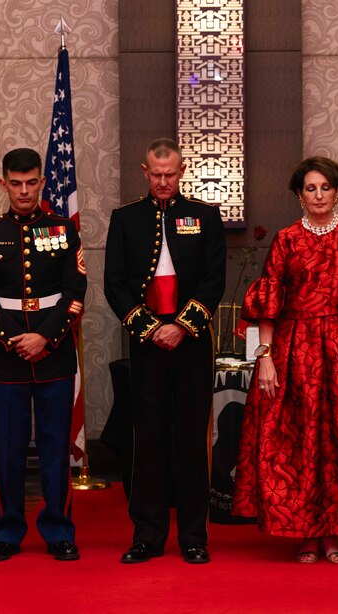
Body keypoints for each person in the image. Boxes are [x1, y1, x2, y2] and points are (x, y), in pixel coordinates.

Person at [233, 156, 338, 564]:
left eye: (326, 187)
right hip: (296, 352)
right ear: (299, 195)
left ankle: (335, 533)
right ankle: (305, 533)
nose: (318, 195)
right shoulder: (286, 240)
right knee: (301, 443)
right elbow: (269, 305)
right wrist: (265, 359)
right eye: (310, 188)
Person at [103, 138, 225, 565]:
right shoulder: (125, 219)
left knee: (192, 439)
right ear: (144, 170)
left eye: (170, 174)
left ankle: (194, 536)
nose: (163, 181)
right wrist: (151, 328)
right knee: (148, 439)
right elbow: (114, 283)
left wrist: (182, 327)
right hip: (146, 341)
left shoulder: (205, 216)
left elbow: (214, 280)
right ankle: (147, 536)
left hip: (192, 343)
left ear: (182, 169)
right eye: (156, 174)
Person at [0, 148, 87, 561]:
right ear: (3, 184)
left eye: (31, 182)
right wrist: (15, 339)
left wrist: (45, 339)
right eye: (15, 183)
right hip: (5, 356)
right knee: (7, 449)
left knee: (56, 449)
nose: (23, 191)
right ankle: (6, 531)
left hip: (53, 354)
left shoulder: (62, 229)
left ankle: (59, 530)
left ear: (41, 182)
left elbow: (75, 296)